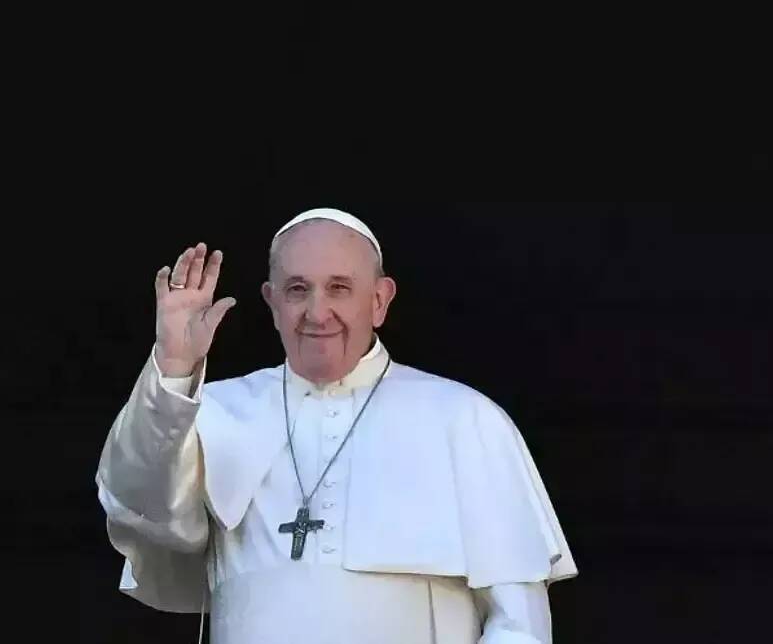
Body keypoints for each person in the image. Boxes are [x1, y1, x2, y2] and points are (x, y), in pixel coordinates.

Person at [95, 208, 576, 643]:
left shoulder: (466, 420)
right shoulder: (212, 412)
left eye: (339, 288)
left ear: (380, 300)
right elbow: (141, 509)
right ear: (272, 302)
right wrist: (174, 368)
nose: (317, 312)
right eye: (297, 289)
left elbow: (520, 626)